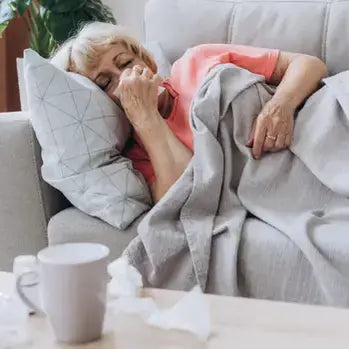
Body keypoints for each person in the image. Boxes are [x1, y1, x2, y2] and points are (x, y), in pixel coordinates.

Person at [51, 22, 328, 202]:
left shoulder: (197, 60)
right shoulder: (139, 156)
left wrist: (279, 105)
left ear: (146, 60)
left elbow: (309, 65)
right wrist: (146, 118)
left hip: (319, 126)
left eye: (125, 63)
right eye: (105, 83)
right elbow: (186, 198)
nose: (125, 78)